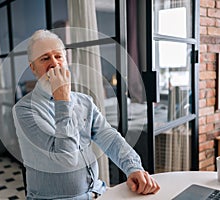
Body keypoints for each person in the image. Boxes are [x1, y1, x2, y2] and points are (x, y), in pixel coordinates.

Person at [12, 29, 160, 199]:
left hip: (97, 193)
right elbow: (66, 160)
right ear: (33, 68)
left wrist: (133, 167)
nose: (54, 63)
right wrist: (63, 100)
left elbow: (110, 139)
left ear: (66, 60)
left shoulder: (84, 102)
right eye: (45, 58)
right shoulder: (24, 110)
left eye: (58, 56)